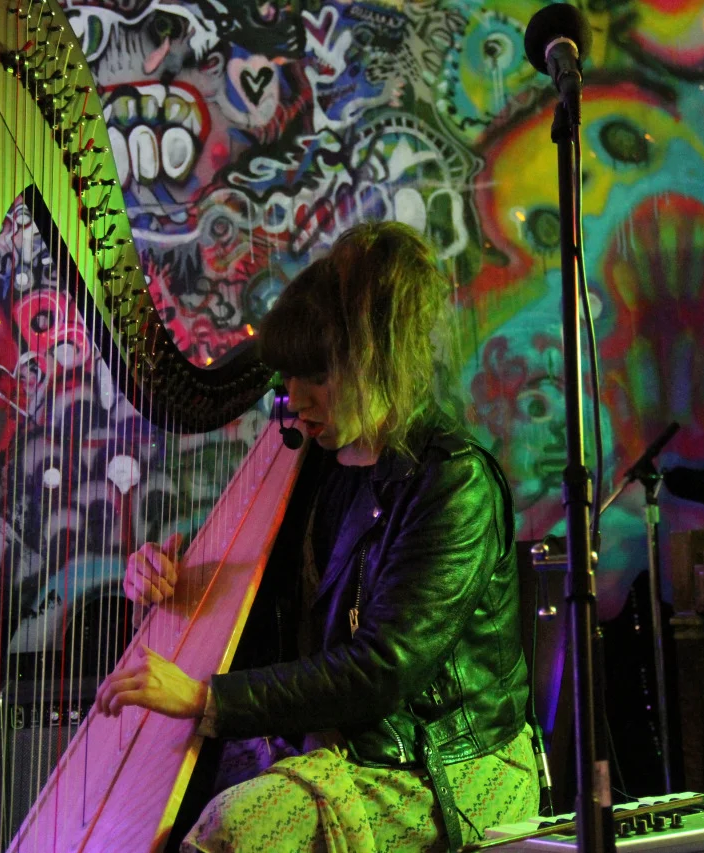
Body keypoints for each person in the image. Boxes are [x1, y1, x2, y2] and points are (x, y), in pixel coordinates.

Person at [95, 221, 538, 852]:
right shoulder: (315, 462)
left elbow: (382, 671)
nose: (292, 396)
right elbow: (262, 619)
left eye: (316, 374)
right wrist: (174, 581)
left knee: (236, 828)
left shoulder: (453, 482)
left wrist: (201, 696)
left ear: (375, 363)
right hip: (335, 743)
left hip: (439, 769)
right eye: (288, 375)